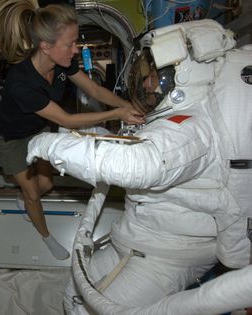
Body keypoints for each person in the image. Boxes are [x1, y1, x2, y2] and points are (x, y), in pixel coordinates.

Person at [26, 19, 252, 313]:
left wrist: (49, 146)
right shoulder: (184, 118)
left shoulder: (192, 131)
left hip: (163, 256)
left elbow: (139, 164)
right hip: (138, 235)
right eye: (148, 74)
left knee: (85, 310)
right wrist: (100, 138)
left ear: (186, 78)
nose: (147, 83)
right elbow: (137, 148)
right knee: (74, 293)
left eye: (156, 77)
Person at [0, 0, 145, 260]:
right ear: (46, 47)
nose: (76, 50)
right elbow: (67, 120)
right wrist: (118, 114)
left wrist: (130, 106)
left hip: (38, 129)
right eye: (70, 44)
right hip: (11, 138)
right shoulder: (21, 83)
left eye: (76, 41)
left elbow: (94, 89)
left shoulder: (62, 62)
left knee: (47, 184)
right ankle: (45, 235)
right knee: (33, 194)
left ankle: (27, 198)